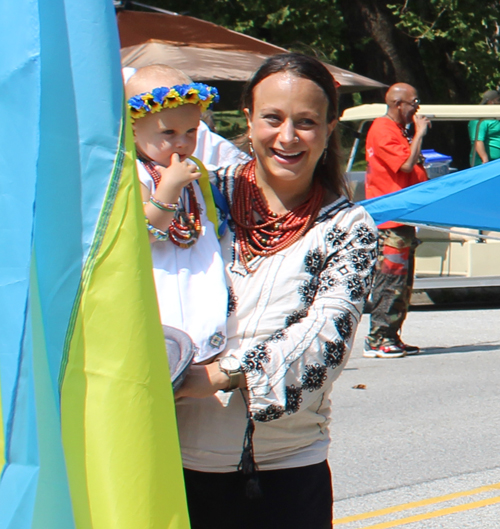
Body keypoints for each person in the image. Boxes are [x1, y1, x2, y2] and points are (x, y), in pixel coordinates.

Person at [174, 53, 378, 529]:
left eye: (306, 122)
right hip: (169, 459)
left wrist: (221, 377)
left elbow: (327, 335)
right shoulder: (199, 197)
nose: (287, 137)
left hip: (284, 473)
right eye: (273, 118)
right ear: (247, 118)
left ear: (330, 127)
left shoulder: (348, 226)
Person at [125, 65, 228, 363]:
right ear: (134, 128)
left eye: (191, 131)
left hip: (196, 274)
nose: (182, 142)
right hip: (161, 282)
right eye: (168, 132)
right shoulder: (136, 172)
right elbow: (143, 232)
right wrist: (168, 188)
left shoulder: (192, 169)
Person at [363, 83, 430, 359]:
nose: (417, 108)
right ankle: (379, 337)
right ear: (398, 104)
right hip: (390, 220)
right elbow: (403, 165)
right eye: (414, 102)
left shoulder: (396, 131)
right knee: (391, 279)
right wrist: (420, 134)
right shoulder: (382, 129)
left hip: (403, 216)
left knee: (403, 283)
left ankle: (392, 335)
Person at [469, 89, 500, 166]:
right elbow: (478, 141)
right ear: (490, 102)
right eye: (498, 100)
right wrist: (485, 160)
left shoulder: (496, 118)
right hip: (485, 163)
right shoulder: (479, 119)